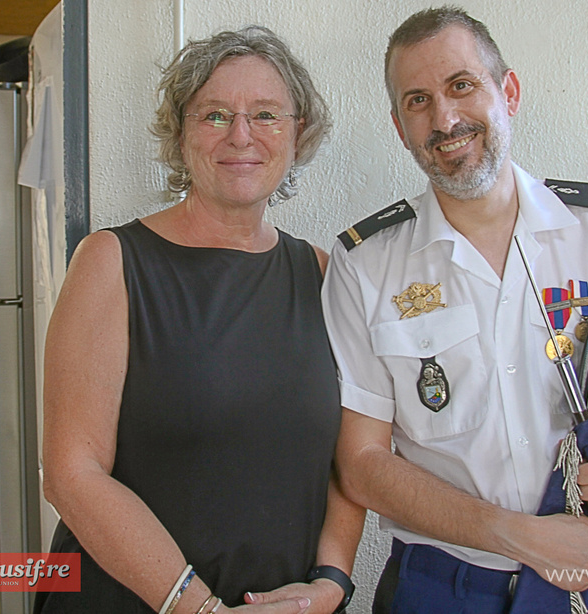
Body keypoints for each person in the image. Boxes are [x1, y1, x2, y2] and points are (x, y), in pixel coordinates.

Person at [322, 6, 588, 613]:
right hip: (442, 587)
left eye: (463, 85)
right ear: (399, 126)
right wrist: (523, 538)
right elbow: (361, 463)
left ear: (507, 92)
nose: (445, 117)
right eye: (418, 100)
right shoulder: (365, 264)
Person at [37, 26, 364, 614]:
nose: (241, 135)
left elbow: (351, 457)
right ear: (180, 134)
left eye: (266, 114)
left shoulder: (319, 272)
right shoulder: (111, 261)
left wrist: (331, 582)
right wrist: (200, 608)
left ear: (298, 134)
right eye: (215, 115)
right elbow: (70, 474)